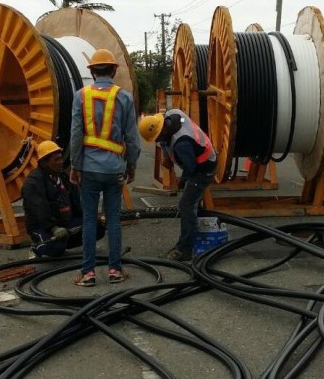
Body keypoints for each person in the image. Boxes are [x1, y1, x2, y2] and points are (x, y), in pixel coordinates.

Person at [70, 49, 140, 286]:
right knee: (113, 219)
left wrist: (75, 165)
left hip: (88, 168)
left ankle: (88, 273)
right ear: (113, 70)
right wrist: (131, 165)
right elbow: (132, 138)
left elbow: (76, 134)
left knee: (89, 219)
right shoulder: (125, 97)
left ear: (91, 71)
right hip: (114, 169)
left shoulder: (81, 96)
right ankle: (114, 271)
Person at [138, 109, 217, 261]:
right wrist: (167, 155)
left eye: (158, 138)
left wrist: (181, 182)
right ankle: (197, 237)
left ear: (163, 130)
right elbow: (165, 139)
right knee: (191, 203)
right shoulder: (172, 114)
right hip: (196, 161)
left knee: (186, 205)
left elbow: (190, 169)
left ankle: (185, 250)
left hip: (203, 169)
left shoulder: (182, 142)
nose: (156, 141)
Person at [22, 141, 104, 259]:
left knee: (97, 227)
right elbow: (40, 210)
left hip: (66, 223)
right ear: (44, 162)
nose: (61, 162)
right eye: (56, 160)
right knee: (56, 247)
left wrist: (89, 217)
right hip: (43, 227)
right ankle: (37, 247)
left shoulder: (63, 177)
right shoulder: (33, 182)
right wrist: (53, 228)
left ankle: (63, 241)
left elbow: (76, 203)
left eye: (61, 158)